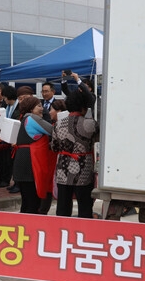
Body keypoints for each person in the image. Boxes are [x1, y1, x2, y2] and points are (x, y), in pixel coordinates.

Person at [51, 88, 98, 218]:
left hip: (63, 168)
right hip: (83, 168)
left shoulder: (58, 124)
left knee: (63, 207)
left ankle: (62, 232)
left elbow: (54, 147)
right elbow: (97, 142)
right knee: (85, 206)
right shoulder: (90, 124)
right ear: (83, 106)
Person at [12, 96, 56, 214]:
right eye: (39, 106)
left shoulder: (24, 119)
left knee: (26, 201)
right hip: (30, 163)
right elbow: (53, 131)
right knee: (33, 202)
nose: (42, 109)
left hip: (21, 162)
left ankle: (22, 228)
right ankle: (31, 229)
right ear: (31, 109)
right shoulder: (33, 118)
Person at [39, 98, 67, 215]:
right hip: (52, 158)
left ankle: (43, 210)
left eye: (52, 109)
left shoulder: (58, 126)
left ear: (59, 111)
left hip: (54, 159)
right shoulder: (56, 125)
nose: (49, 112)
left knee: (50, 185)